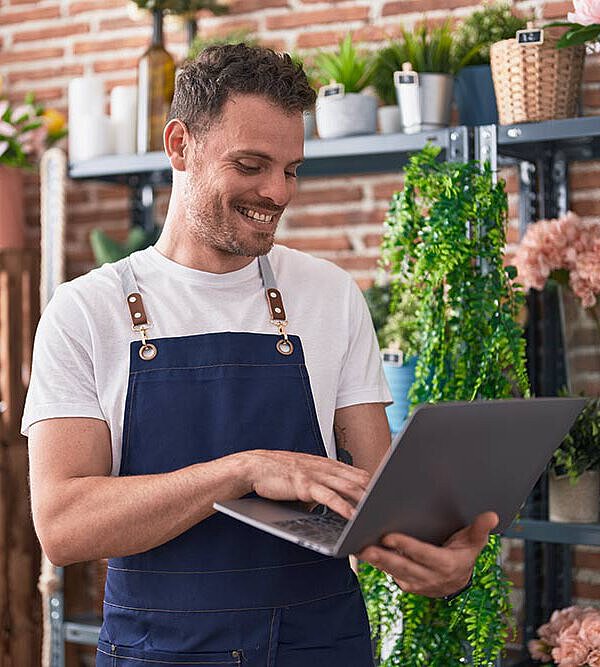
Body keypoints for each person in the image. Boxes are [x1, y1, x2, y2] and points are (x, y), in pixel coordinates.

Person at [24, 44, 498, 666]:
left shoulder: (329, 295)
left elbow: (380, 501)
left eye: (291, 169)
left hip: (322, 647)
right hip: (161, 653)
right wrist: (244, 471)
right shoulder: (86, 311)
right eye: (250, 165)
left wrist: (440, 561)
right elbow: (64, 526)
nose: (277, 192)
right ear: (179, 146)